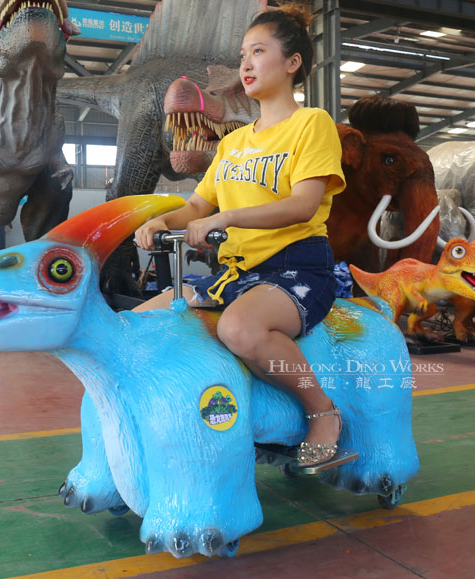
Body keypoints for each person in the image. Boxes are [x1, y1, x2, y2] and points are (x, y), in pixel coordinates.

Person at [134, 4, 347, 467]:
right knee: (141, 321)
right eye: (242, 54)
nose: (245, 64)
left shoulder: (312, 124)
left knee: (239, 328)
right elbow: (196, 205)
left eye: (258, 51)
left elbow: (303, 205)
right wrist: (159, 220)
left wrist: (227, 221)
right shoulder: (233, 143)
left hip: (294, 265)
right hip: (236, 271)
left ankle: (322, 411)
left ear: (292, 63)